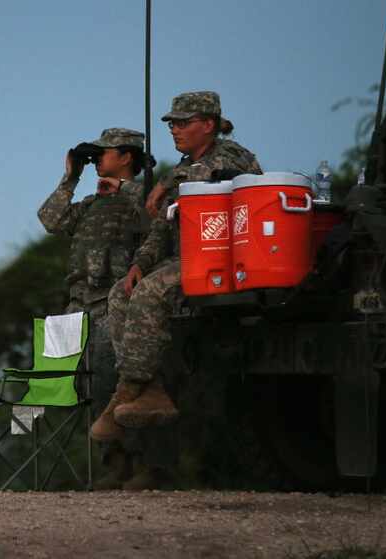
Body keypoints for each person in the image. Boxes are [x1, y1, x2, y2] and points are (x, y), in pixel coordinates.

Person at [91, 91, 263, 447]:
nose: (174, 130)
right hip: (187, 257)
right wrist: (140, 263)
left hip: (223, 257)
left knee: (151, 294)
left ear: (209, 125)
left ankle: (125, 394)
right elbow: (161, 228)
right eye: (172, 123)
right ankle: (149, 388)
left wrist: (165, 186)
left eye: (183, 123)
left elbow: (207, 181)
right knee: (121, 292)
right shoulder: (182, 168)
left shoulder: (232, 156)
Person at [38, 127, 151, 489]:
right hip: (78, 306)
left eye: (105, 152)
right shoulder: (90, 204)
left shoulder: (145, 196)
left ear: (127, 156)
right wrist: (71, 178)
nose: (98, 158)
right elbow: (51, 220)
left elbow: (161, 214)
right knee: (85, 389)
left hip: (113, 305)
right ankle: (112, 465)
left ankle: (138, 465)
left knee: (113, 384)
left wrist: (125, 190)